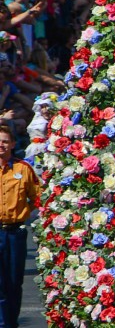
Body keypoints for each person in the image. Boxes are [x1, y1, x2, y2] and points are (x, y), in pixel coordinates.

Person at [0, 125, 40, 328]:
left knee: (14, 283)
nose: (1, 145)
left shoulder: (23, 169)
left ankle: (11, 323)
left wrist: (23, 212)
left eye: (5, 141)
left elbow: (36, 197)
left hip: (15, 232)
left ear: (13, 144)